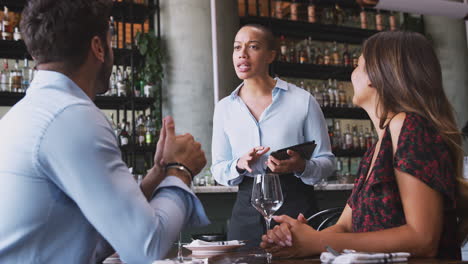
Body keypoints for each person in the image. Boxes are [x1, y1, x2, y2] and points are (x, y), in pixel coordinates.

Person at [0, 0, 209, 263]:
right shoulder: (72, 115)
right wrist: (182, 169)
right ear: (98, 47)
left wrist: (159, 173)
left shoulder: (27, 112)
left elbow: (108, 227)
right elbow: (147, 247)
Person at [260, 31, 468, 260]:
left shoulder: (408, 126)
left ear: (374, 75)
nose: (353, 74)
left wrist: (316, 241)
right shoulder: (377, 149)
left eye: (358, 65)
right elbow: (344, 227)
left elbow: (422, 239)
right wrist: (296, 238)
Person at [211, 24, 335, 248]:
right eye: (237, 47)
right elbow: (218, 168)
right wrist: (239, 164)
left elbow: (328, 162)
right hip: (246, 208)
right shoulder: (224, 108)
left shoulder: (303, 101)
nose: (242, 54)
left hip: (295, 207)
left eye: (253, 47)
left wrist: (300, 166)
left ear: (270, 55)